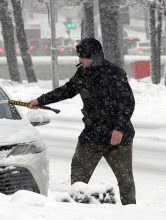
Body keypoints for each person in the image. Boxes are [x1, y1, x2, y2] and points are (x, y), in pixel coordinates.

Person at [29, 38, 136, 205]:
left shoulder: (114, 74)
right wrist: (41, 100)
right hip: (92, 134)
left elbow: (127, 102)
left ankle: (131, 212)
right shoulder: (83, 73)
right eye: (79, 56)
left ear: (96, 56)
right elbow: (66, 90)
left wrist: (119, 128)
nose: (80, 60)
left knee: (126, 180)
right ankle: (78, 209)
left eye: (83, 57)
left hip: (118, 137)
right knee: (78, 175)